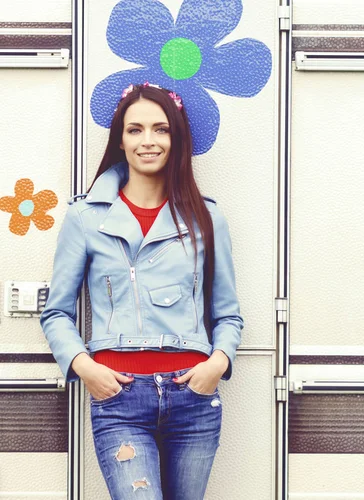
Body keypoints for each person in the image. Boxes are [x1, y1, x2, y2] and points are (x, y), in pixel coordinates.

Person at [40, 82, 243, 499]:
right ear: (120, 139)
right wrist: (85, 367)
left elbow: (228, 313)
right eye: (135, 130)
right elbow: (57, 312)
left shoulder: (206, 217)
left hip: (193, 398)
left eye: (160, 129)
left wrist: (217, 364)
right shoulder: (84, 217)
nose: (148, 141)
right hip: (120, 399)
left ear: (176, 138)